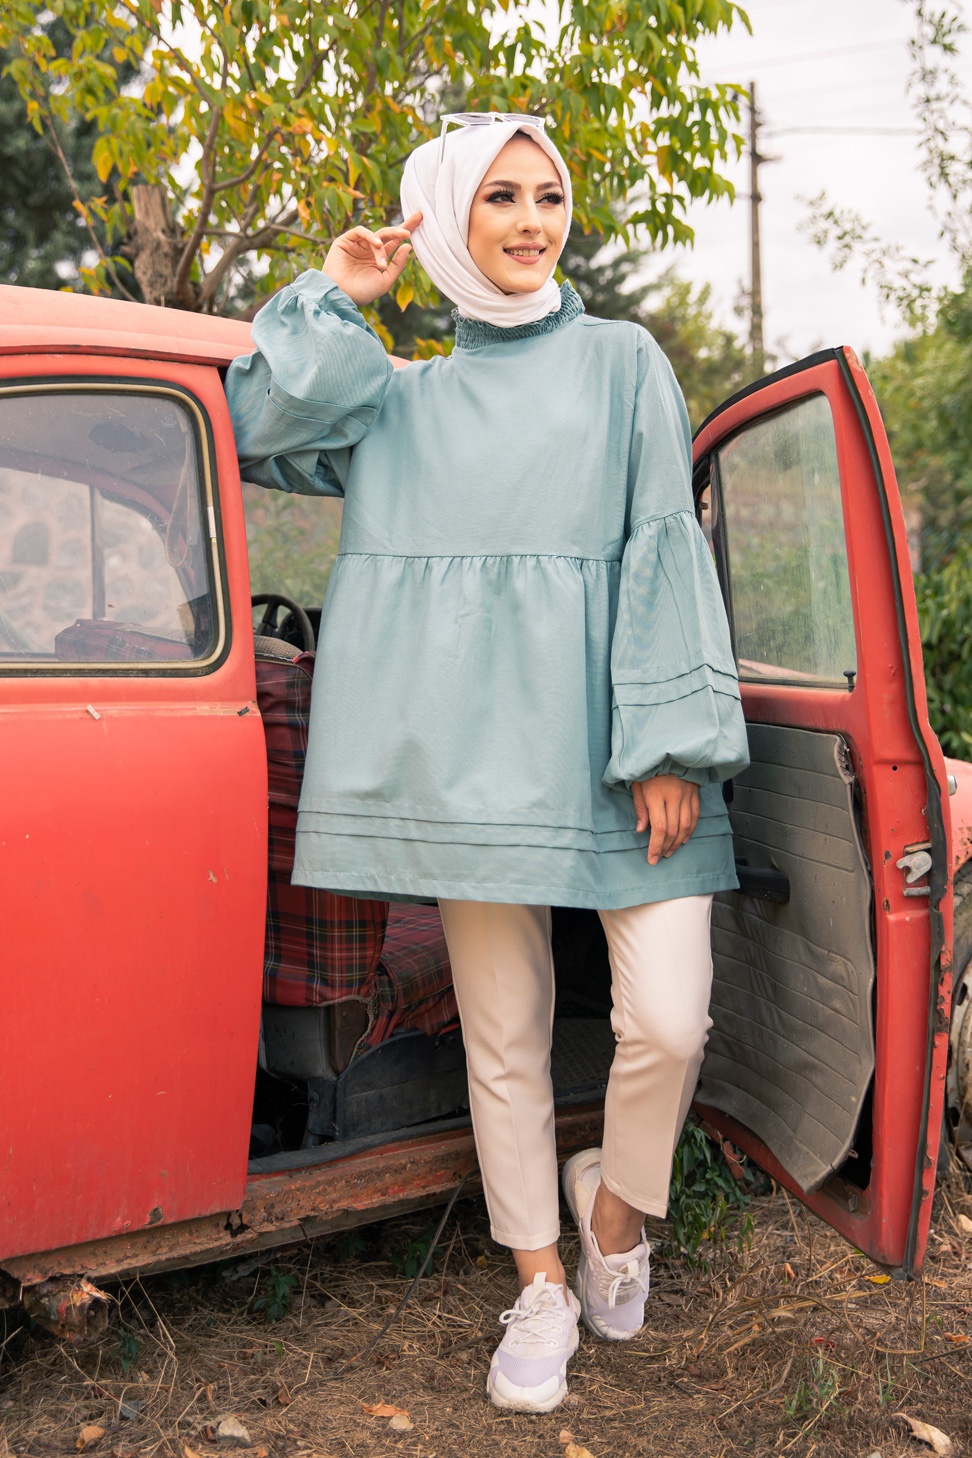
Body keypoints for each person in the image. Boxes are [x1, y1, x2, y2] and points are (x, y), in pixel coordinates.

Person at [226, 112, 749, 1415]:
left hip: (622, 755)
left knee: (669, 1017)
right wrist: (337, 295)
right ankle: (540, 1281)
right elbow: (254, 424)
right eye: (500, 196)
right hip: (469, 761)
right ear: (450, 215)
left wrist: (668, 742)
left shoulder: (624, 363)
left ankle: (613, 1210)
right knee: (502, 1036)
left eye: (549, 195)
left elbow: (663, 544)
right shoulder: (396, 398)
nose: (531, 221)